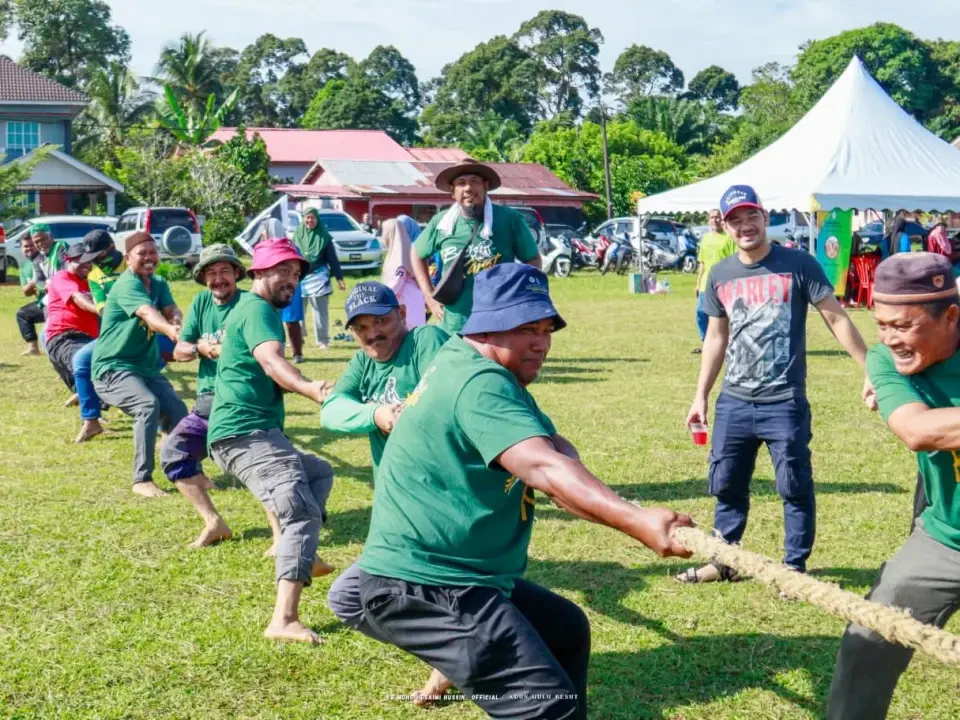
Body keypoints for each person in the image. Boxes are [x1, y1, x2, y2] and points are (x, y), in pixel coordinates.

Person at [346, 263, 693, 719]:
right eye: (526, 328)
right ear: (486, 325)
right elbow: (543, 467)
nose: (542, 342)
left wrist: (626, 508)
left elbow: (551, 449)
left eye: (547, 329)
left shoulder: (473, 364)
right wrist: (638, 521)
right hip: (424, 583)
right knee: (547, 707)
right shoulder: (479, 383)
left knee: (564, 630)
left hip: (460, 575)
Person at [679, 185, 871, 584]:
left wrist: (871, 368)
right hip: (734, 401)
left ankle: (794, 569)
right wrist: (701, 396)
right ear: (725, 226)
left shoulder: (799, 264)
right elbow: (716, 337)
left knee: (794, 487)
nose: (745, 225)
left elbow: (835, 318)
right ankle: (724, 560)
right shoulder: (720, 274)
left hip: (784, 402)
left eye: (751, 216)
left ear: (765, 217)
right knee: (727, 485)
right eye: (735, 219)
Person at [827, 253, 960, 719]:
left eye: (902, 325)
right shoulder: (885, 358)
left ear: (951, 315)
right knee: (868, 640)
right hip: (946, 538)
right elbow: (918, 430)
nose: (888, 340)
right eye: (881, 324)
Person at [323, 281, 451, 702]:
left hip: (442, 496)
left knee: (431, 588)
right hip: (398, 503)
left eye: (381, 320)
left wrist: (406, 413)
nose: (373, 333)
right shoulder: (363, 364)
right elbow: (332, 411)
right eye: (361, 327)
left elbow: (447, 393)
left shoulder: (425, 340)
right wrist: (375, 413)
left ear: (401, 311)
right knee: (351, 598)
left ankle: (454, 661)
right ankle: (456, 655)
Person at [207, 238, 335, 645]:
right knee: (299, 509)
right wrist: (310, 388)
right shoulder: (259, 312)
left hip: (252, 431)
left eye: (296, 274)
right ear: (258, 273)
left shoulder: (250, 309)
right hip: (243, 433)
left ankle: (303, 554)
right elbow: (271, 361)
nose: (291, 281)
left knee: (318, 472)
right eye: (283, 271)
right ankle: (284, 619)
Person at [159, 245, 246, 548]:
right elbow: (179, 350)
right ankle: (214, 522)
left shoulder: (250, 305)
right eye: (211, 272)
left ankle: (293, 521)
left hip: (242, 399)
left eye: (224, 271)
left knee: (258, 467)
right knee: (174, 453)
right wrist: (201, 349)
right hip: (209, 399)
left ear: (236, 273)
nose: (218, 278)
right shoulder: (201, 303)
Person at [92, 231, 188, 498]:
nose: (149, 258)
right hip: (112, 368)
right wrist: (171, 332)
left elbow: (171, 309)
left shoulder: (157, 282)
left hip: (145, 367)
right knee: (148, 405)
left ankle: (184, 471)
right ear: (128, 258)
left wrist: (177, 321)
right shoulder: (127, 285)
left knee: (178, 411)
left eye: (152, 252)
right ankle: (141, 479)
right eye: (142, 254)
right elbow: (149, 313)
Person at [411, 158, 542, 334]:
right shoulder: (440, 222)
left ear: (485, 186)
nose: (468, 188)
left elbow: (532, 259)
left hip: (499, 322)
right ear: (452, 191)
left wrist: (519, 295)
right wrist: (429, 296)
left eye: (474, 181)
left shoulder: (509, 219)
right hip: (454, 324)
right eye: (461, 183)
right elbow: (417, 254)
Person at [72, 229, 123, 443]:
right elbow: (102, 308)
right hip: (113, 333)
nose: (95, 262)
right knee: (81, 361)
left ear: (111, 247)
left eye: (98, 256)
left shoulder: (132, 264)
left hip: (144, 330)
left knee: (146, 373)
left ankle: (165, 427)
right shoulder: (94, 274)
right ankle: (91, 420)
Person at [44, 243, 101, 401]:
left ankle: (83, 396)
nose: (86, 265)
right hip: (65, 336)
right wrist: (100, 309)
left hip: (88, 339)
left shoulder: (92, 281)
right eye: (80, 261)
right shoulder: (63, 276)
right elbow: (78, 298)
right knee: (88, 367)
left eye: (89, 261)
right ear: (69, 261)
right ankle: (91, 417)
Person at [292, 208, 345, 350]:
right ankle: (299, 338)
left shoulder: (324, 237)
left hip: (319, 277)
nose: (310, 221)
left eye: (313, 218)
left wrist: (339, 278)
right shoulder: (297, 235)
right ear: (303, 219)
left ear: (317, 219)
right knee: (298, 309)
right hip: (299, 277)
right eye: (307, 218)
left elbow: (333, 259)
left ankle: (323, 340)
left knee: (320, 311)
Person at [694, 209, 736, 353]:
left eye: (717, 217)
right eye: (712, 217)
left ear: (722, 220)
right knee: (700, 313)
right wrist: (698, 283)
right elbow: (702, 262)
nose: (715, 220)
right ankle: (705, 342)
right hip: (706, 283)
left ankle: (726, 342)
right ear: (708, 220)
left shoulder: (729, 238)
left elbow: (734, 260)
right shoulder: (705, 238)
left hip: (723, 283)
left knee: (723, 315)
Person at [379, 218, 426, 329]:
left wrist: (380, 295)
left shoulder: (400, 256)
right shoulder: (400, 252)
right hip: (408, 300)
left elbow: (398, 280)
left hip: (407, 302)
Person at [14, 233, 43, 356]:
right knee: (23, 314)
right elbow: (26, 292)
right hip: (42, 302)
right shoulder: (24, 267)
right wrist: (33, 283)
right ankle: (33, 348)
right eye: (26, 246)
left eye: (32, 245)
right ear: (21, 248)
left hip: (55, 301)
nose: (29, 248)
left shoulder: (45, 259)